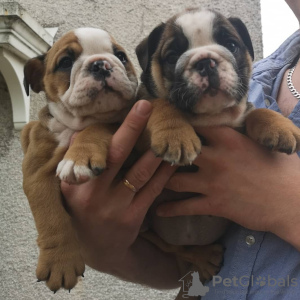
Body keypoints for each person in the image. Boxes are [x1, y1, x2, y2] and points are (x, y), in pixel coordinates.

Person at [62, 0, 300, 298]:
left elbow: (247, 116)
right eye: (174, 54)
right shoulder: (258, 84)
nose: (208, 64)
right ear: (151, 65)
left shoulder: (252, 104)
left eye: (229, 45)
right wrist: (103, 251)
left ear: (247, 50)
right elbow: (179, 272)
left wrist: (292, 206)